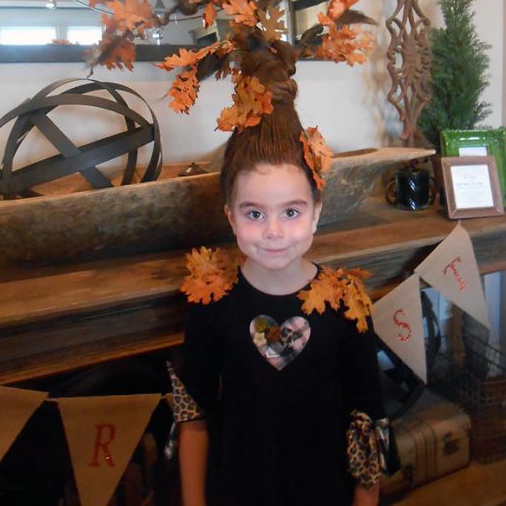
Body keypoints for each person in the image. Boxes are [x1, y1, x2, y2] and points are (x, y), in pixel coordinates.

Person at [167, 48, 390, 506]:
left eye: (291, 211)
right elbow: (194, 416)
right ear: (231, 217)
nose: (273, 232)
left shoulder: (346, 303)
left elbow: (367, 419)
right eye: (254, 213)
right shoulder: (212, 303)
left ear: (316, 214)